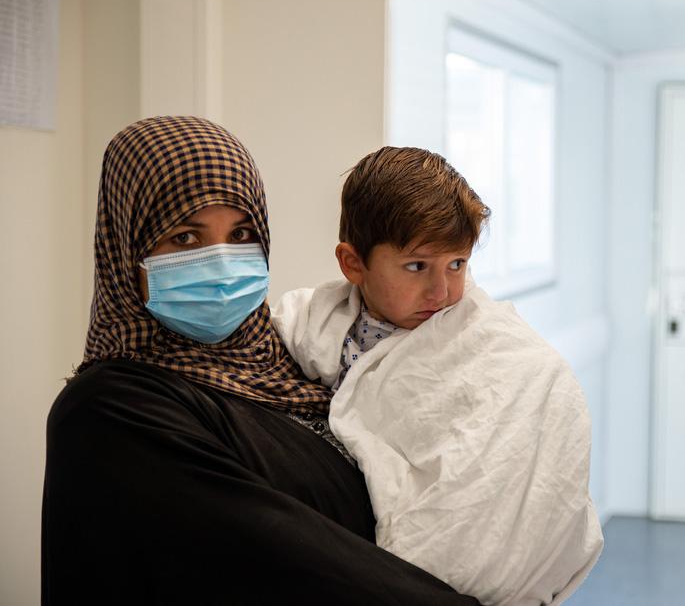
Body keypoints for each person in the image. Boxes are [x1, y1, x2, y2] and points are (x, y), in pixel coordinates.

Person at [42, 116, 481, 605]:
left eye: (241, 233)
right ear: (126, 249)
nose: (223, 263)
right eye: (186, 237)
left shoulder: (296, 360)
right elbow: (297, 565)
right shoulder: (111, 410)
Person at [271, 147, 603, 605]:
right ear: (353, 263)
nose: (443, 291)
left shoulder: (506, 355)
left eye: (457, 264)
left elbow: (503, 487)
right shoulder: (310, 323)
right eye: (416, 266)